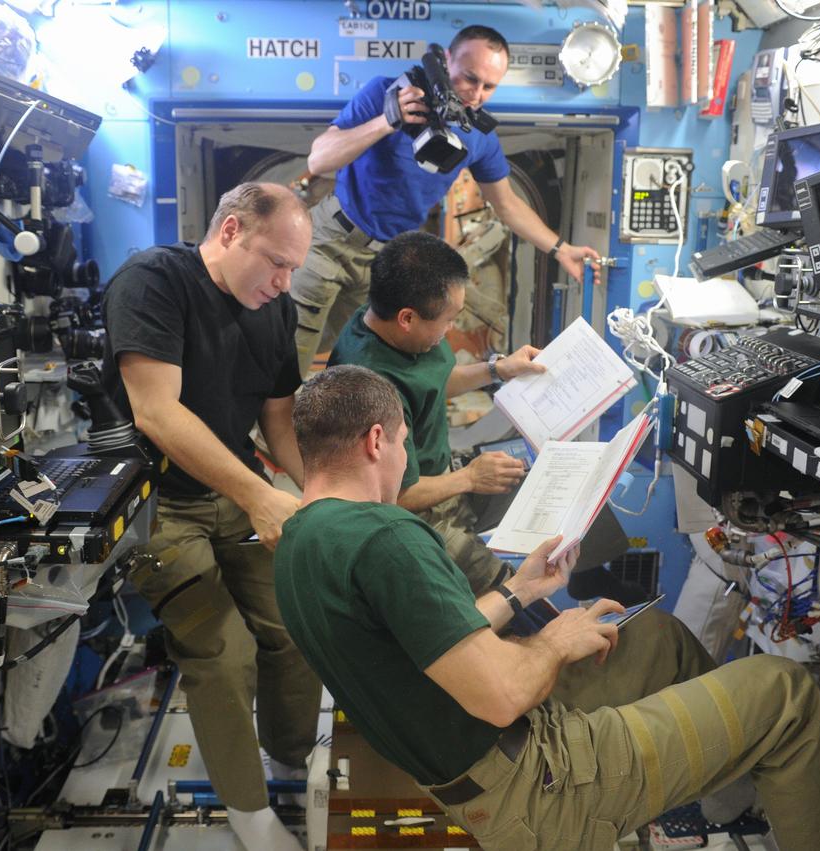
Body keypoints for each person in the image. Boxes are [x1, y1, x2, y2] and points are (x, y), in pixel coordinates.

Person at [274, 365, 820, 851]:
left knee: (658, 639)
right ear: (376, 441)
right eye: (404, 443)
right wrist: (555, 640)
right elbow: (503, 694)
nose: (406, 461)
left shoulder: (301, 539)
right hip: (539, 785)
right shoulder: (387, 537)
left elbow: (430, 640)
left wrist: (521, 591)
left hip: (484, 772)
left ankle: (737, 798)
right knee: (786, 695)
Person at [100, 182, 321, 851]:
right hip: (158, 504)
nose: (284, 283)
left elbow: (277, 417)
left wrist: (320, 493)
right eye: (276, 262)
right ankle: (248, 809)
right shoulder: (153, 282)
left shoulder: (275, 307)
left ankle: (289, 760)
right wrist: (259, 496)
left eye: (293, 269)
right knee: (222, 650)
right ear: (230, 232)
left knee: (296, 621)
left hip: (234, 490)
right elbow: (156, 412)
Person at [292, 24, 601, 374]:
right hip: (331, 239)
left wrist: (561, 249)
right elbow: (319, 160)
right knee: (288, 362)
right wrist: (387, 120)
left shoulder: (479, 137)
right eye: (470, 78)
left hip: (384, 265)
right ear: (447, 59)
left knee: (355, 368)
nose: (476, 94)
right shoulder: (386, 92)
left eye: (489, 86)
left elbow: (508, 204)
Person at [329, 230, 542, 595]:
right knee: (513, 591)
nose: (451, 329)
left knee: (548, 493)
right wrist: (470, 478)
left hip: (442, 476)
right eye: (447, 320)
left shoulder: (386, 320)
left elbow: (432, 382)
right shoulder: (372, 388)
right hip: (418, 510)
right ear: (407, 318)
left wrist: (498, 369)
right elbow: (394, 495)